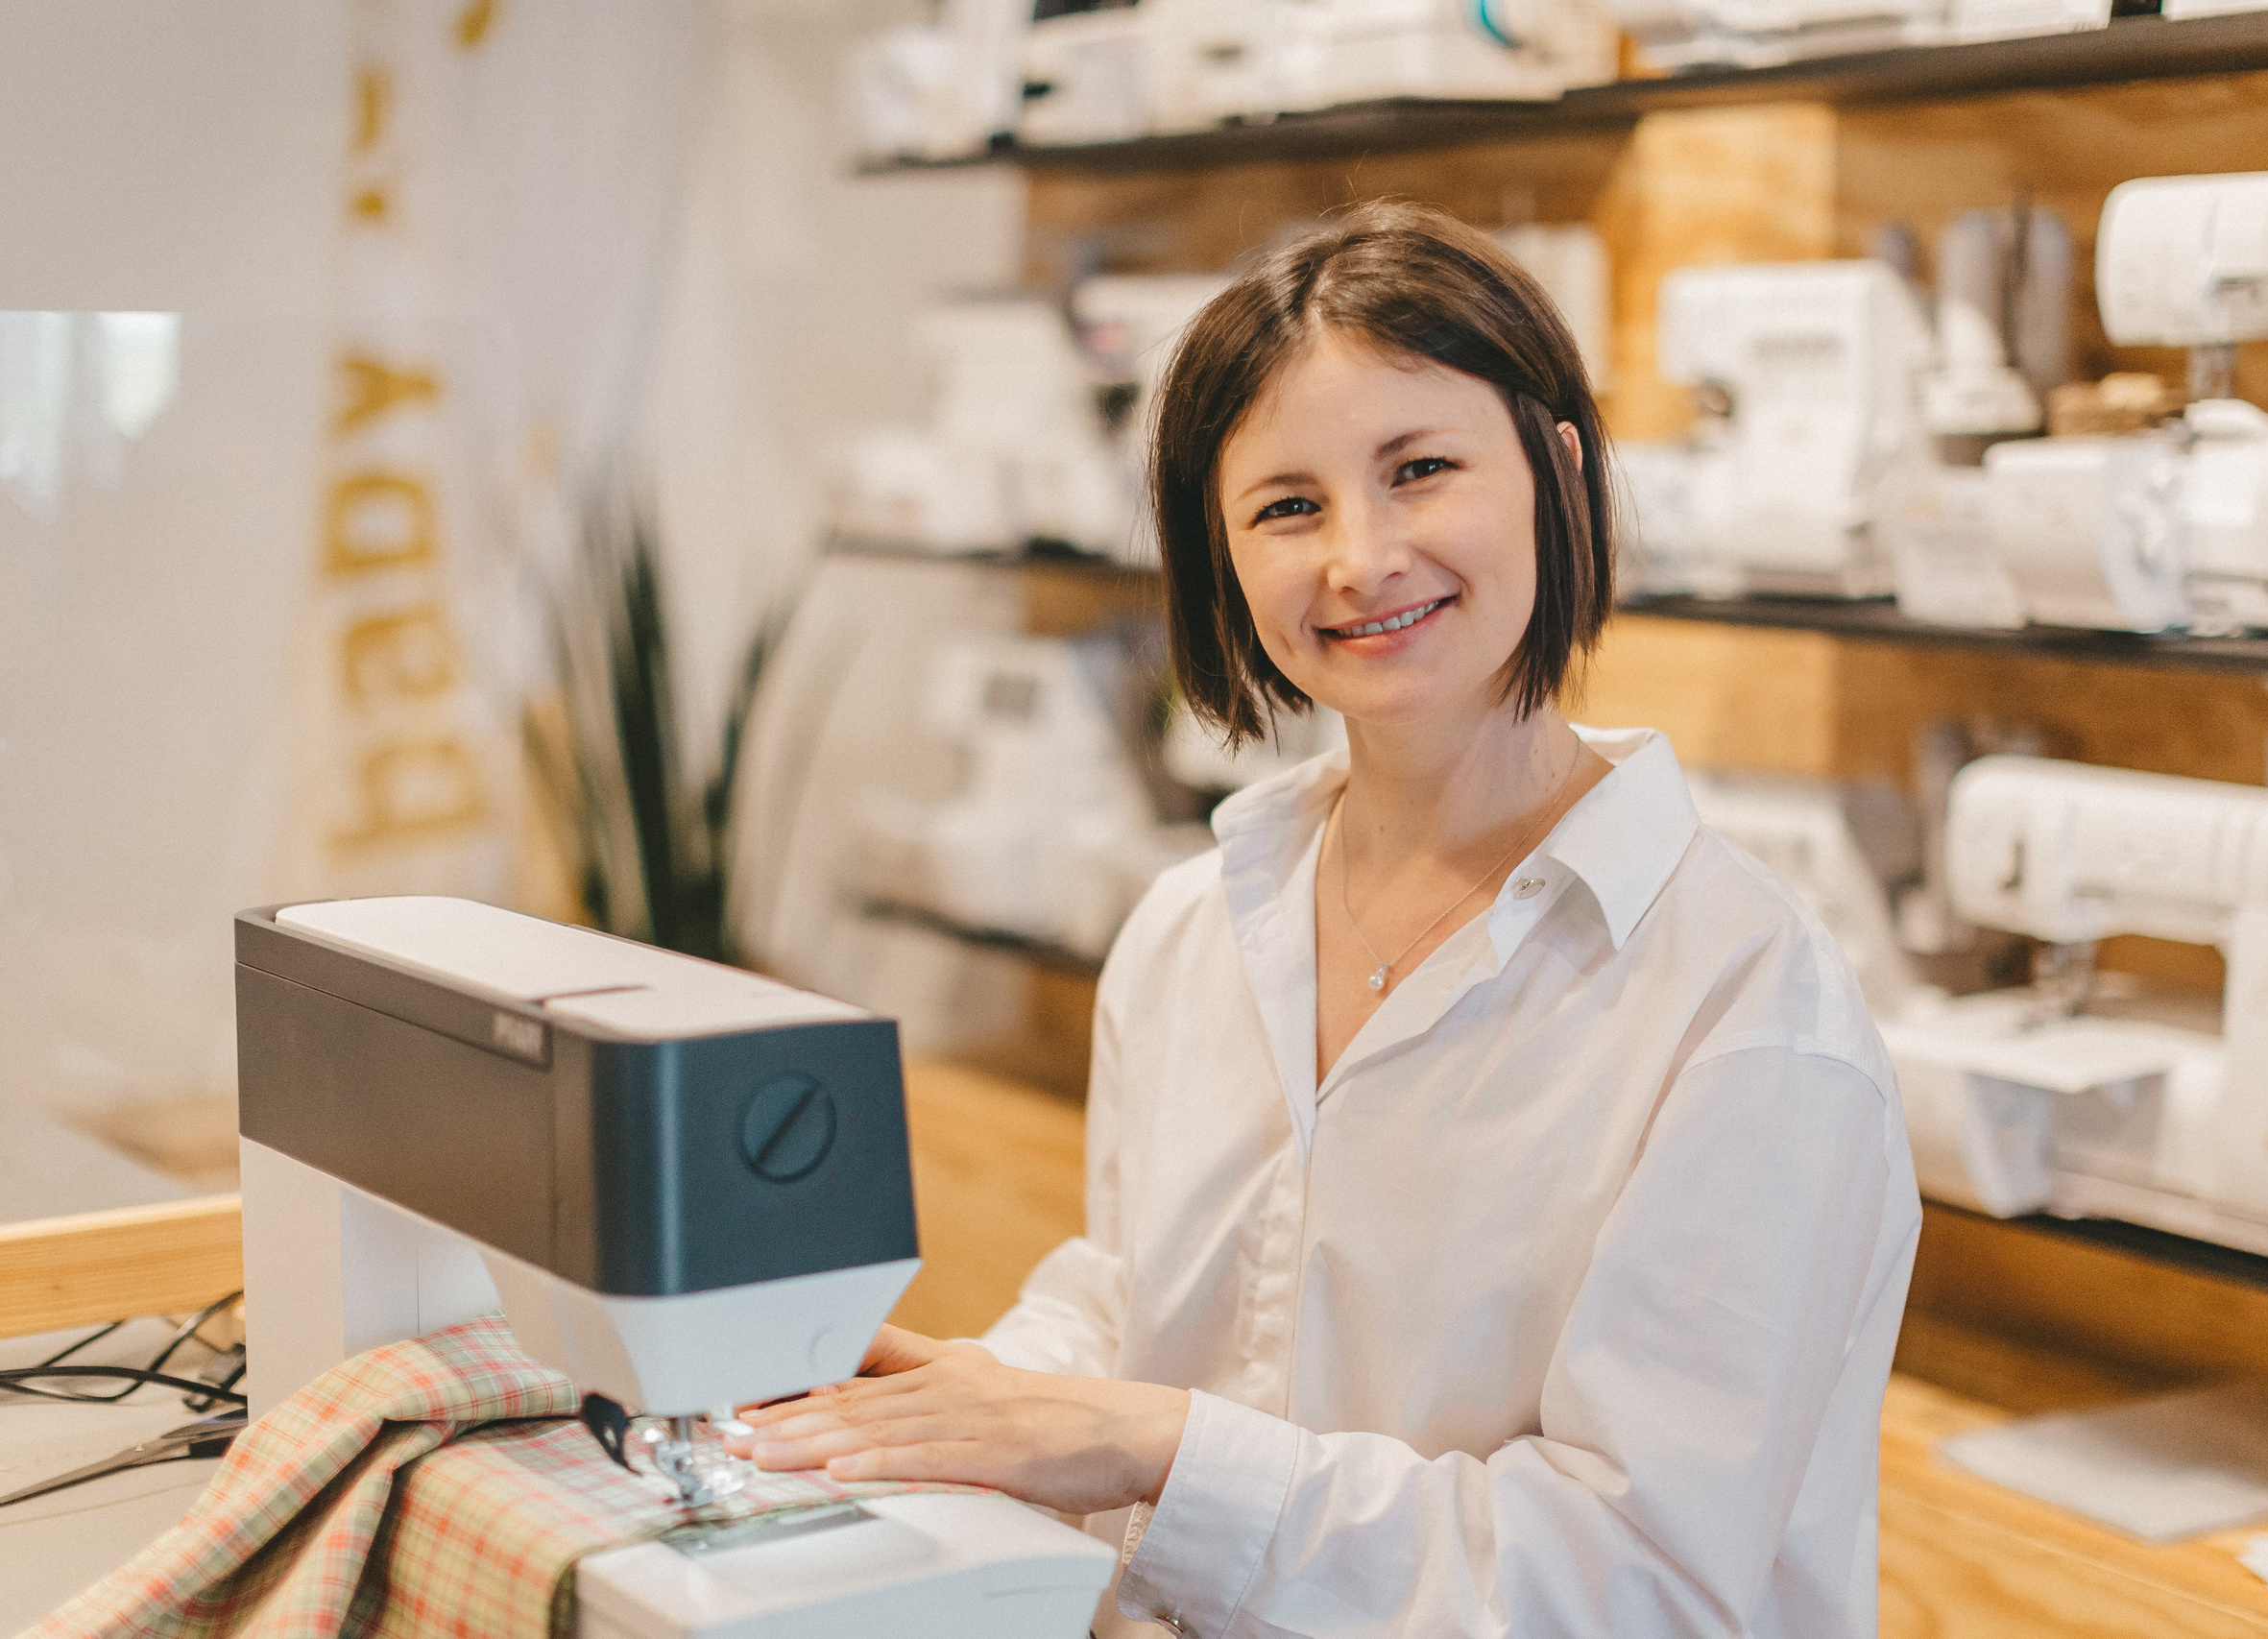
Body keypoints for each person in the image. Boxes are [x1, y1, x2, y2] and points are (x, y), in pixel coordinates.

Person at [730, 201, 1921, 1638]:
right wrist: (968, 1403)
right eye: (1287, 507)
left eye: (1419, 469)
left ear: (1555, 470)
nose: (1359, 558)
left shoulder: (1746, 1008)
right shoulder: (1194, 927)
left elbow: (1632, 1584)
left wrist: (1140, 1448)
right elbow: (1144, 1300)